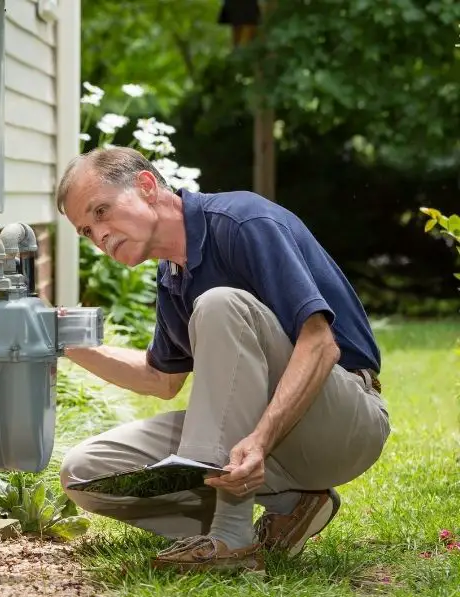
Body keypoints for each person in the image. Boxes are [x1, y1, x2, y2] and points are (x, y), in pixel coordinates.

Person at [53, 146, 390, 572]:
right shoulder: (172, 275)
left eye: (101, 211)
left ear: (147, 186)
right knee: (85, 472)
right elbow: (161, 379)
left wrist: (260, 438)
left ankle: (230, 538)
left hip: (340, 424)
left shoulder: (242, 222)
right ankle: (291, 505)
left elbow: (321, 344)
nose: (98, 235)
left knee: (219, 304)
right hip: (267, 449)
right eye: (86, 230)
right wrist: (66, 344)